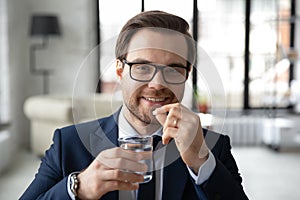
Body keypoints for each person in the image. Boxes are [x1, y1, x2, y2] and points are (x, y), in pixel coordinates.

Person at [21, 10, 248, 200]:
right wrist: (78, 187)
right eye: (142, 67)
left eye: (173, 69)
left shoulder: (213, 148)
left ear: (186, 75)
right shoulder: (68, 144)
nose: (157, 84)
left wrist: (201, 162)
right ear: (120, 70)